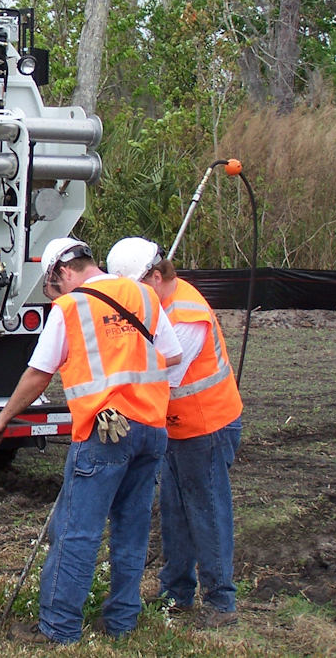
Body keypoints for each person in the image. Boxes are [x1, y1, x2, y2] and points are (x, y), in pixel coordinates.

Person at [0, 237, 183, 645]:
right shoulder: (143, 294)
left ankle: (58, 628)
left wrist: (2, 420)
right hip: (150, 431)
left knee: (77, 532)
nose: (55, 295)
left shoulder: (71, 307)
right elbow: (172, 356)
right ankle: (122, 623)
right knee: (132, 530)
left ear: (61, 272)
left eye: (52, 287)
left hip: (105, 433)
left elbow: (40, 374)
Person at [106, 237, 244, 630]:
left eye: (134, 287)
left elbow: (164, 377)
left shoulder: (185, 314)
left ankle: (221, 602)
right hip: (179, 428)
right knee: (174, 510)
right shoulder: (157, 303)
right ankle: (176, 592)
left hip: (207, 426)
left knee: (206, 511)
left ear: (154, 275)